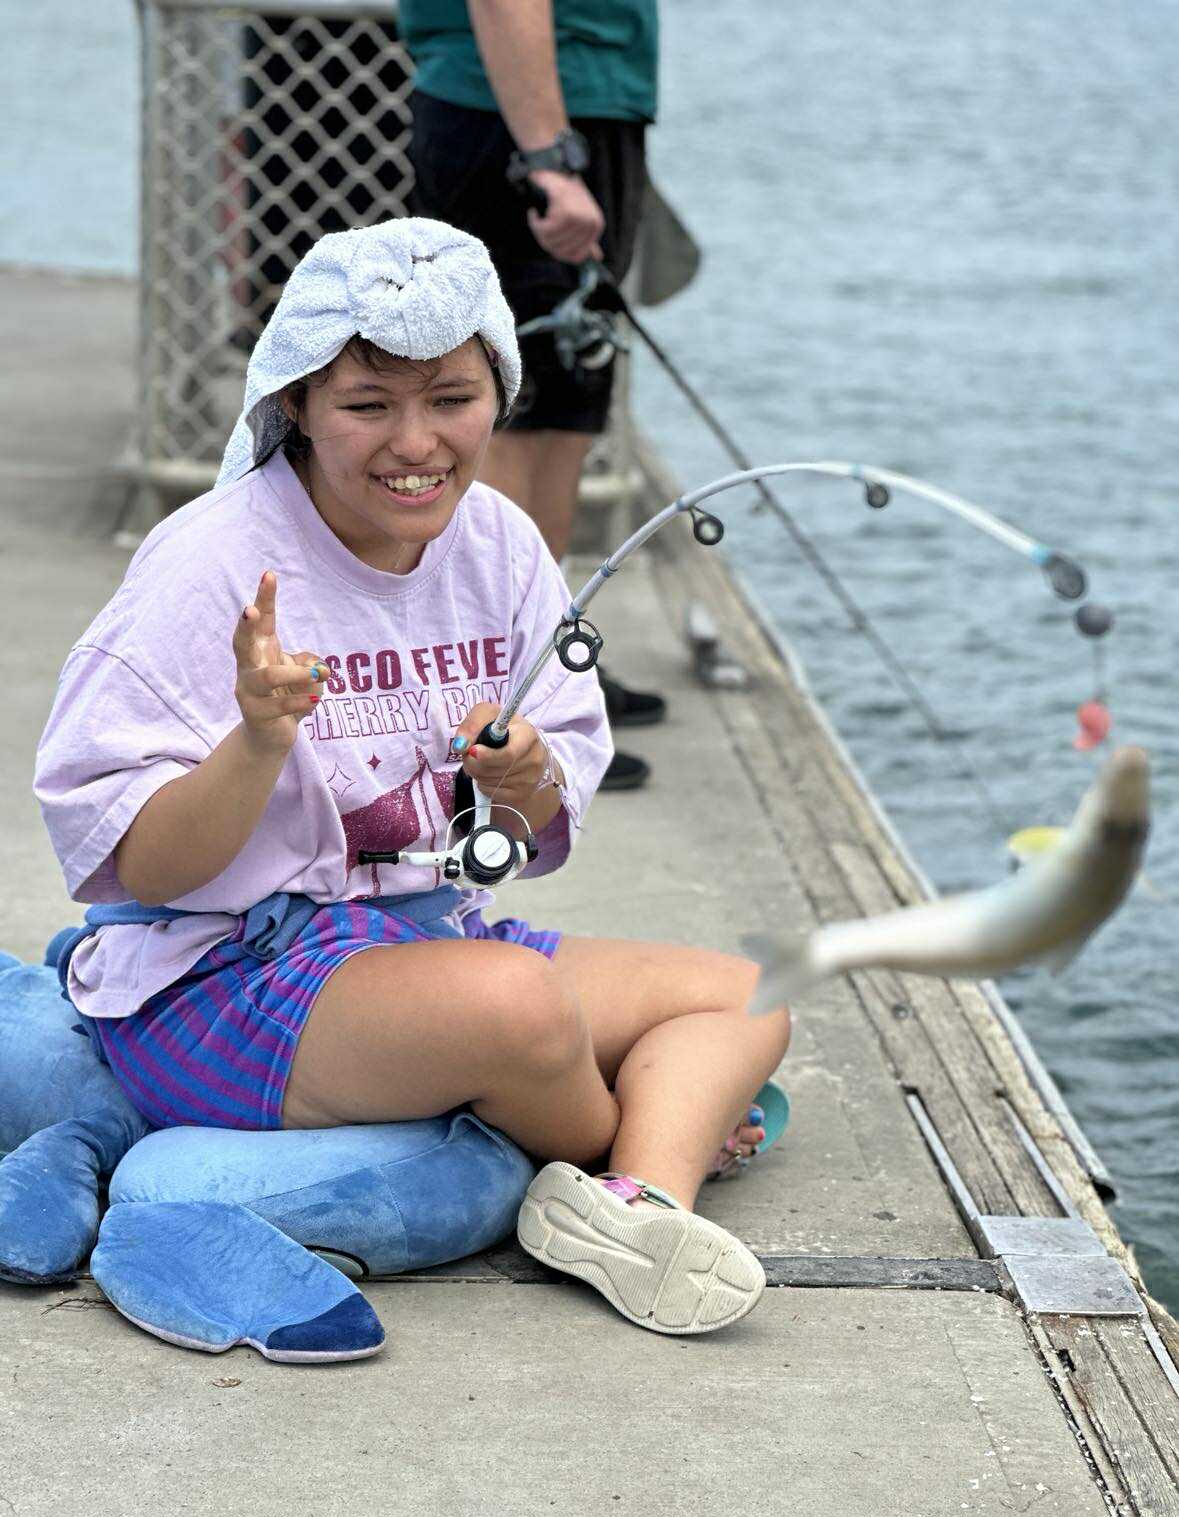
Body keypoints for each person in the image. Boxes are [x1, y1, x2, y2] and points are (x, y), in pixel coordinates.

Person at [35, 220, 789, 1335]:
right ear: (296, 403)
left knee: (751, 991)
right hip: (224, 979)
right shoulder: (206, 564)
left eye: (452, 398)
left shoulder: (502, 545)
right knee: (519, 1005)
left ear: (498, 392)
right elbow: (134, 865)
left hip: (420, 943)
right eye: (367, 404)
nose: (416, 443)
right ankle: (615, 1138)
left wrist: (524, 776)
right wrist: (256, 742)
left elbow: (531, 825)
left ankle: (642, 1203)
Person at [403, 0, 664, 792]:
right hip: (519, 123)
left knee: (568, 394)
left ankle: (549, 669)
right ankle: (501, 707)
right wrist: (547, 157)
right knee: (510, 408)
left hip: (580, 110)